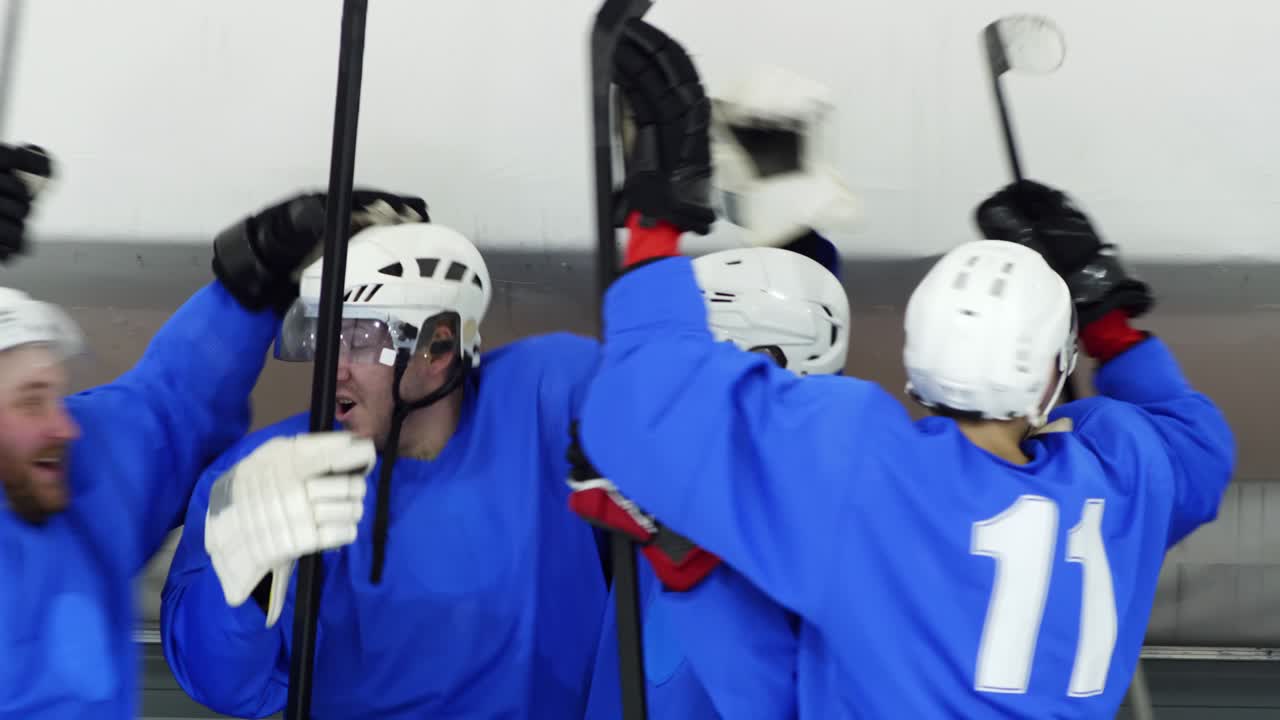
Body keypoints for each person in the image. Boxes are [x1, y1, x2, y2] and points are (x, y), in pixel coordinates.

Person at [571, 20, 1234, 719]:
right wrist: (1104, 315)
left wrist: (659, 210)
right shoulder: (1122, 476)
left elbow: (650, 395)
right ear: (1048, 375)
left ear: (917, 357)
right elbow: (1197, 445)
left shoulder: (868, 473)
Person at [0, 137, 427, 719]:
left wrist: (256, 272)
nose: (64, 426)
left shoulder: (59, 491)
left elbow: (169, 410)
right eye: (30, 401)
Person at [160, 220, 609, 719]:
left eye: (360, 339)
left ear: (439, 346)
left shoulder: (546, 396)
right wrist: (235, 584)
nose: (334, 367)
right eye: (325, 339)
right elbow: (221, 687)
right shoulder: (269, 471)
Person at [576, 44, 858, 719]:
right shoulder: (674, 483)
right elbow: (786, 338)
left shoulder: (806, 530)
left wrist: (663, 220)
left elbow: (794, 344)